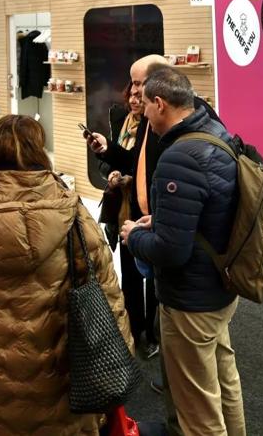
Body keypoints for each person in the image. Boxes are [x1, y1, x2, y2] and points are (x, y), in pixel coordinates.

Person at [0, 114, 129, 435]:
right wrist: (119, 353)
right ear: (38, 152)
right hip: (60, 374)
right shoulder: (70, 212)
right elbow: (107, 291)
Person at [123, 68, 245, 436]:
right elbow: (206, 213)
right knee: (224, 385)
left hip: (191, 299)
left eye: (144, 104)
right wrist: (160, 219)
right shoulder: (217, 133)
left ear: (160, 104)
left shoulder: (179, 156)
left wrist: (133, 236)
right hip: (220, 287)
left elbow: (171, 251)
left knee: (197, 410)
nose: (141, 113)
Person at [87, 57, 167, 363]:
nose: (134, 93)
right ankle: (138, 331)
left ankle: (157, 335)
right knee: (133, 273)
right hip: (127, 208)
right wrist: (107, 150)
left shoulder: (161, 124)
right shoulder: (125, 117)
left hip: (155, 214)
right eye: (131, 86)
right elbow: (131, 159)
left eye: (138, 85)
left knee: (156, 280)